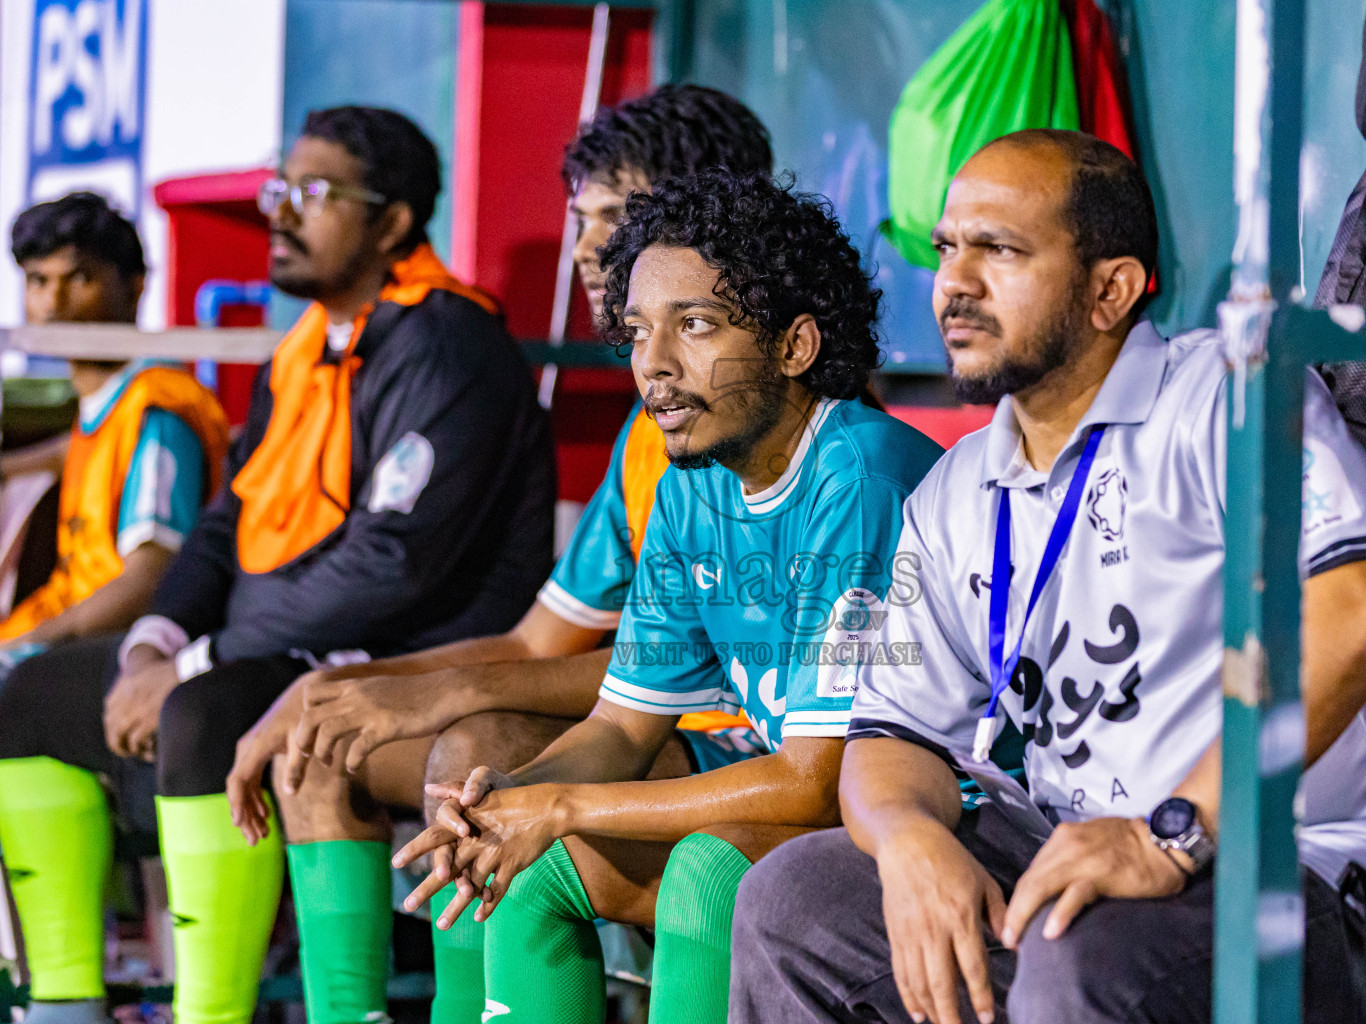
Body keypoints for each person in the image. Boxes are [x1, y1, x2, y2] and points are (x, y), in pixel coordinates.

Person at [729, 129, 1366, 1024]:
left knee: (1078, 949)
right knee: (792, 905)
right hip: (1090, 867)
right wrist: (909, 842)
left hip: (1330, 872)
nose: (953, 285)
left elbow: (1363, 605)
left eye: (999, 250)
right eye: (947, 249)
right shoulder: (954, 493)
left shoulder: (1226, 396)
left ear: (1109, 290)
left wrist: (1177, 833)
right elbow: (887, 739)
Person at [222, 84, 775, 1024]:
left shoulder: (784, 424)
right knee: (322, 742)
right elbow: (534, 646)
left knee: (475, 752)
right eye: (580, 219)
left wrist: (456, 691)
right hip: (649, 736)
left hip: (747, 761)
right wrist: (342, 685)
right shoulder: (651, 435)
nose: (592, 247)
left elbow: (723, 667)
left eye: (619, 216)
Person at [0, 106, 554, 1024]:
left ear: (392, 222)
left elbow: (392, 566)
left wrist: (190, 663)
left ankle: (210, 1011)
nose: (281, 213)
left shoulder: (448, 344)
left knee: (202, 708)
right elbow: (225, 523)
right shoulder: (304, 346)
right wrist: (155, 636)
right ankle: (63, 1005)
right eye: (278, 189)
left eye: (313, 193)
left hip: (406, 654)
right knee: (26, 702)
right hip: (276, 641)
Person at [392, 169, 942, 1024]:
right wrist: (515, 794)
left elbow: (813, 780)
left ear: (795, 347)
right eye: (639, 330)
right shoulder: (694, 477)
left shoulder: (860, 476)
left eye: (695, 326)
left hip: (932, 814)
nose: (653, 364)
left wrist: (565, 803)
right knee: (521, 858)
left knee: (708, 870)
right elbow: (621, 727)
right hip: (803, 794)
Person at [1, 193, 227, 667]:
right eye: (37, 281)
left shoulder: (158, 411)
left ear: (136, 287)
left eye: (79, 278)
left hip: (97, 656)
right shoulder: (105, 406)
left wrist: (20, 652)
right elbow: (78, 450)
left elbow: (149, 582)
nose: (53, 302)